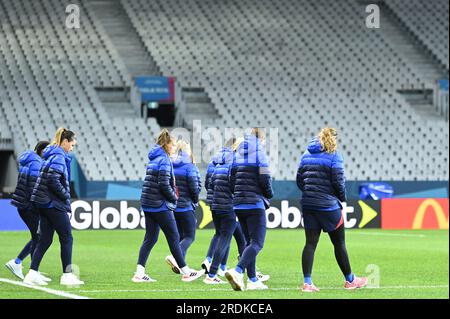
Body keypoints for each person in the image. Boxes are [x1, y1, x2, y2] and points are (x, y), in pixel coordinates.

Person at [296, 127, 367, 292]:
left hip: (308, 204)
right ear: (333, 140)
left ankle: (307, 283)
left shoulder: (305, 155)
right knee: (339, 243)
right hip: (328, 206)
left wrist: (309, 193)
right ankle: (350, 280)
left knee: (310, 244)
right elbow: (338, 181)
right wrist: (341, 198)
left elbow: (299, 180)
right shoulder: (335, 156)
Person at [132, 129, 204, 283]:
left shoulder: (153, 158)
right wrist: (174, 197)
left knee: (150, 239)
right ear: (167, 145)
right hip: (160, 205)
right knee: (174, 237)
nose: (173, 148)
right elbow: (164, 184)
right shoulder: (164, 159)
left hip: (148, 203)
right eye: (172, 145)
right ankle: (186, 272)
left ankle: (139, 273)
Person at [24, 128, 83, 286]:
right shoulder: (58, 156)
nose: (73, 146)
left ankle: (32, 273)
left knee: (45, 239)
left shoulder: (52, 154)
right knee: (67, 237)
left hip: (43, 202)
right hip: (52, 202)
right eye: (72, 143)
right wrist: (65, 195)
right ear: (65, 142)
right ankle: (67, 275)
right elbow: (53, 179)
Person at [225, 128, 274, 291]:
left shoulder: (237, 153)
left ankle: (253, 280)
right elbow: (265, 178)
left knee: (248, 243)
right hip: (254, 203)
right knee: (257, 243)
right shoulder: (260, 153)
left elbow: (230, 179)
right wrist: (268, 194)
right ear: (260, 139)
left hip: (238, 203)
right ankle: (238, 270)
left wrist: (237, 194)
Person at [5, 141, 50, 282]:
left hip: (22, 204)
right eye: (47, 151)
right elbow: (34, 187)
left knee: (37, 236)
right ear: (42, 151)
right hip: (29, 205)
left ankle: (33, 270)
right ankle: (17, 262)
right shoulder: (37, 163)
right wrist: (39, 205)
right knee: (39, 236)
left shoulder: (27, 161)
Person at [170, 140, 201, 261]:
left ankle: (180, 264)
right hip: (186, 206)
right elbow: (194, 187)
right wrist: (194, 200)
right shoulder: (189, 166)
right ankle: (175, 258)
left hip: (174, 206)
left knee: (180, 236)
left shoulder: (171, 165)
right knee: (189, 236)